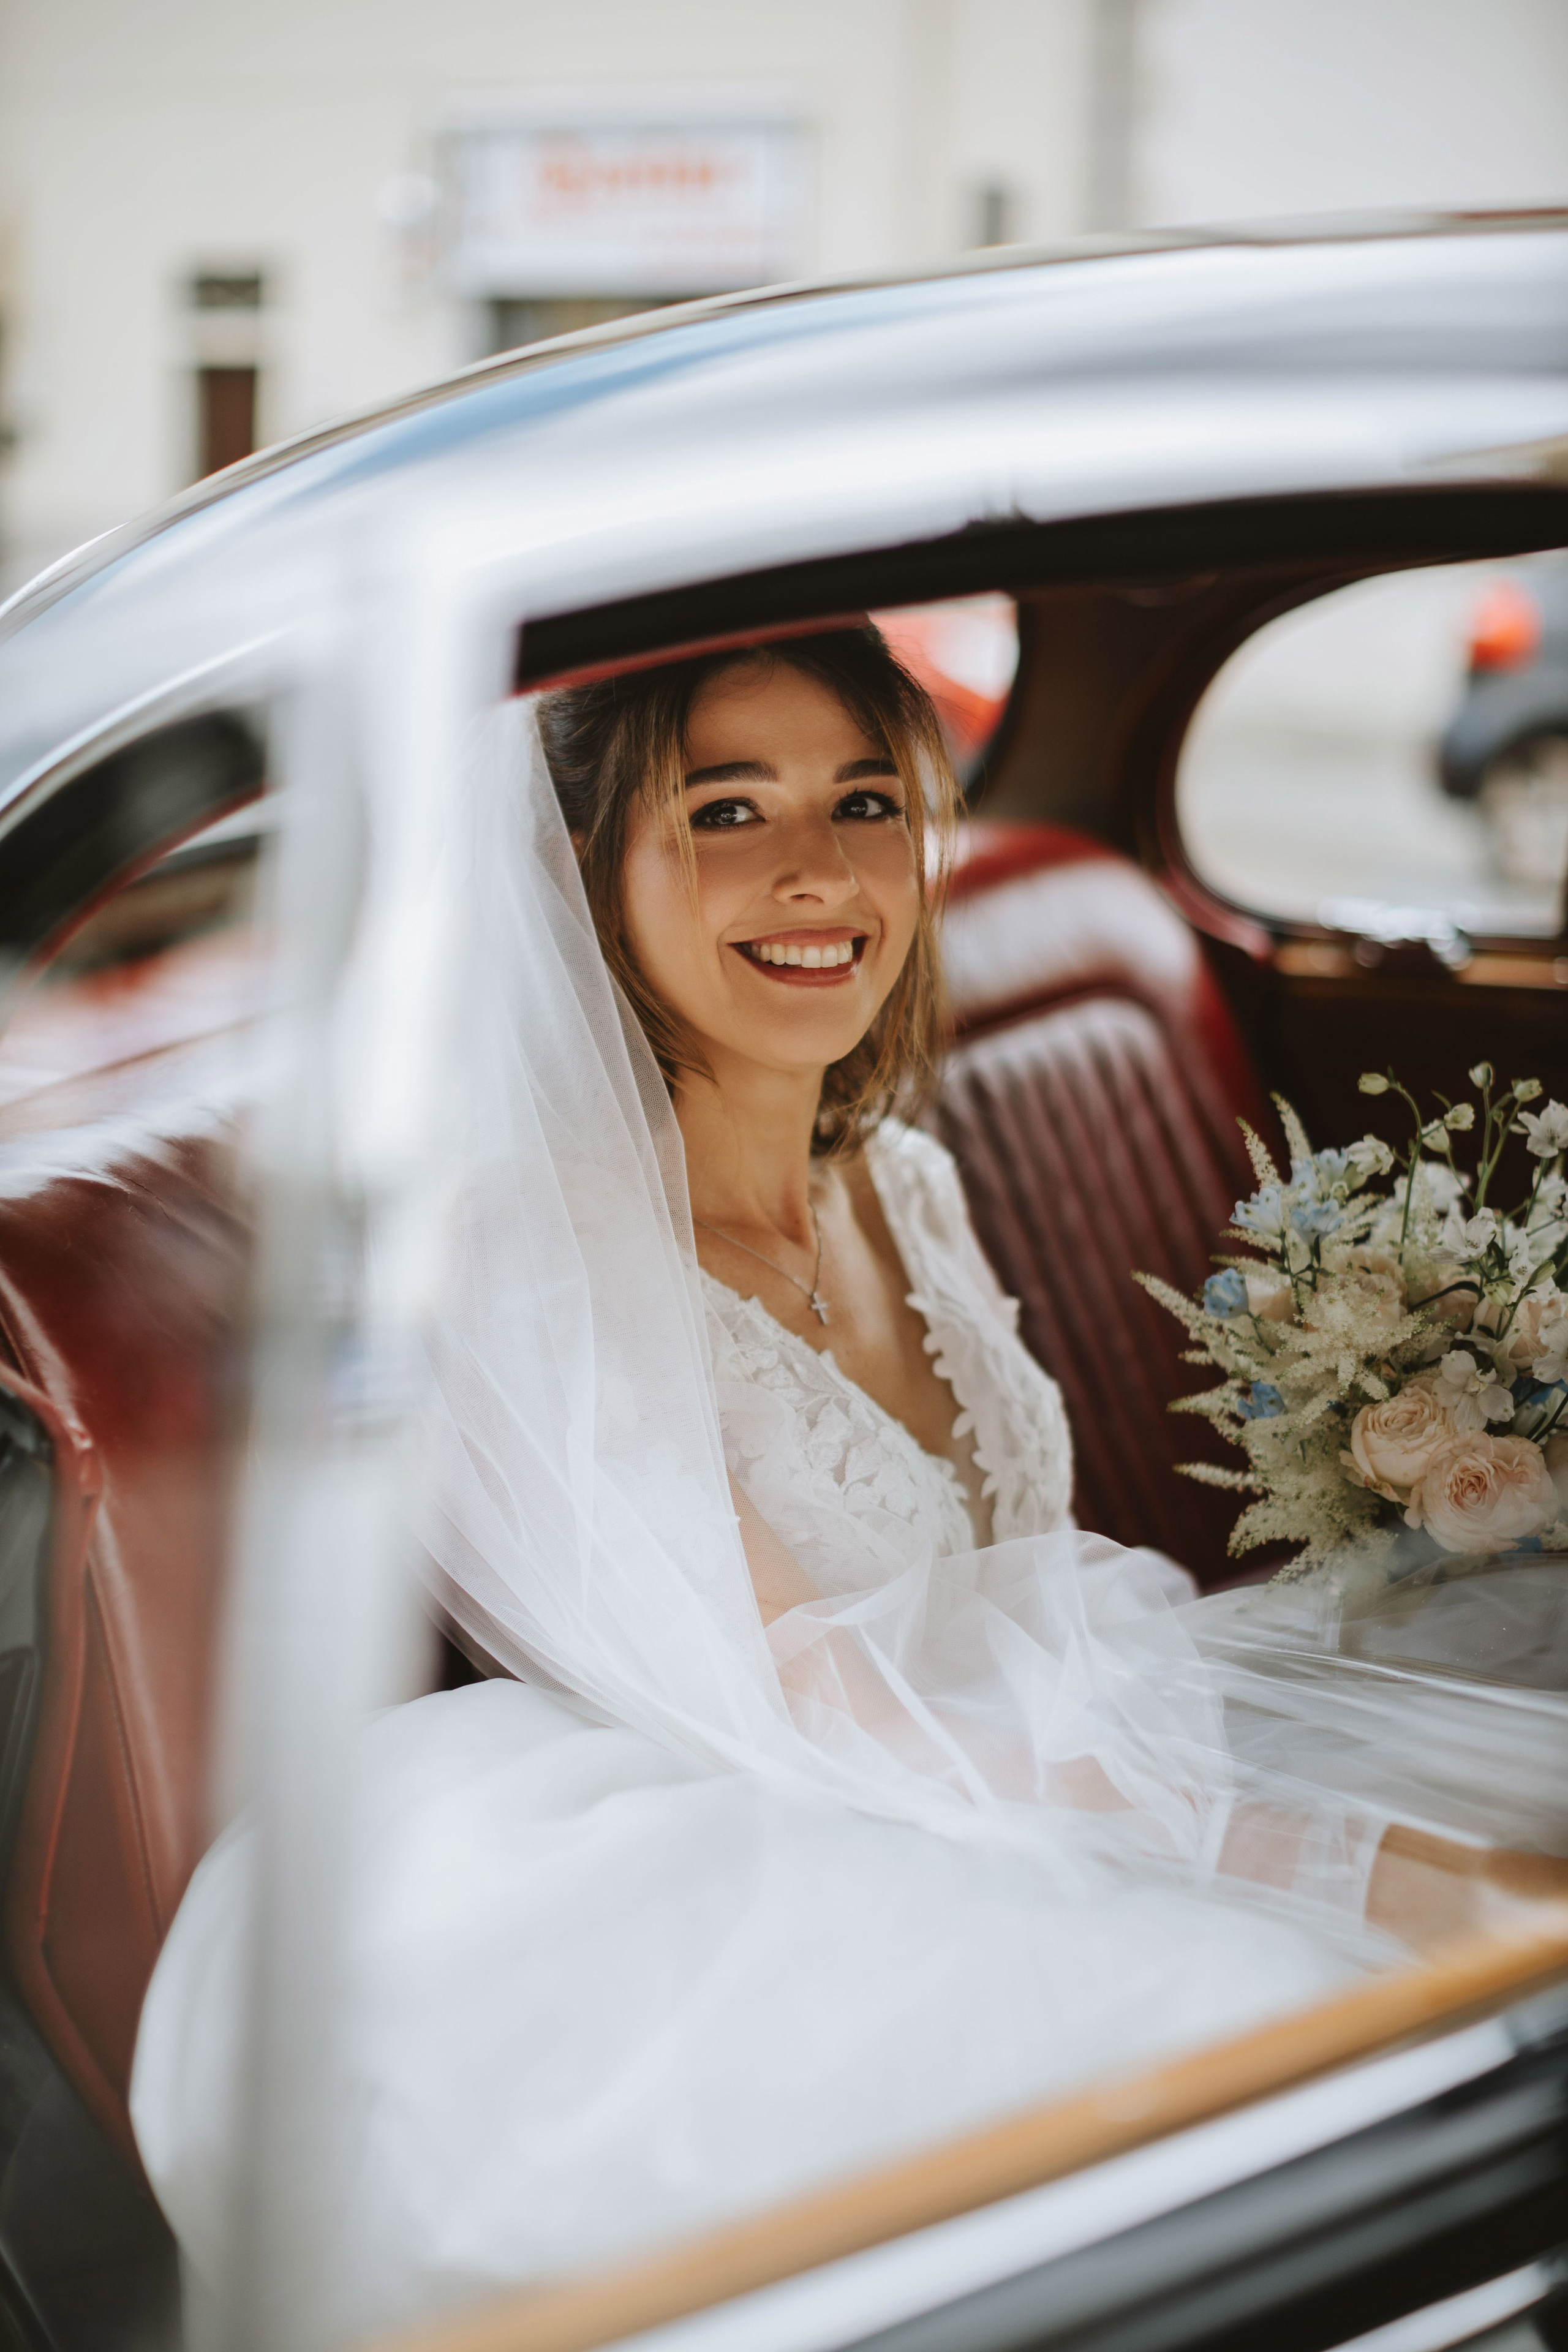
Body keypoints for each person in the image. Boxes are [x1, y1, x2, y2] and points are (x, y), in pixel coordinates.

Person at [130, 627, 1568, 2336]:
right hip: (760, 1840)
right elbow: (822, 1717)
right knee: (1298, 2005)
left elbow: (1021, 1597)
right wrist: (1339, 1862)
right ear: (588, 882)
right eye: (724, 812)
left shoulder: (903, 1175)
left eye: (864, 799)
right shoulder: (526, 1262)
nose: (817, 872)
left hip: (1037, 1746)